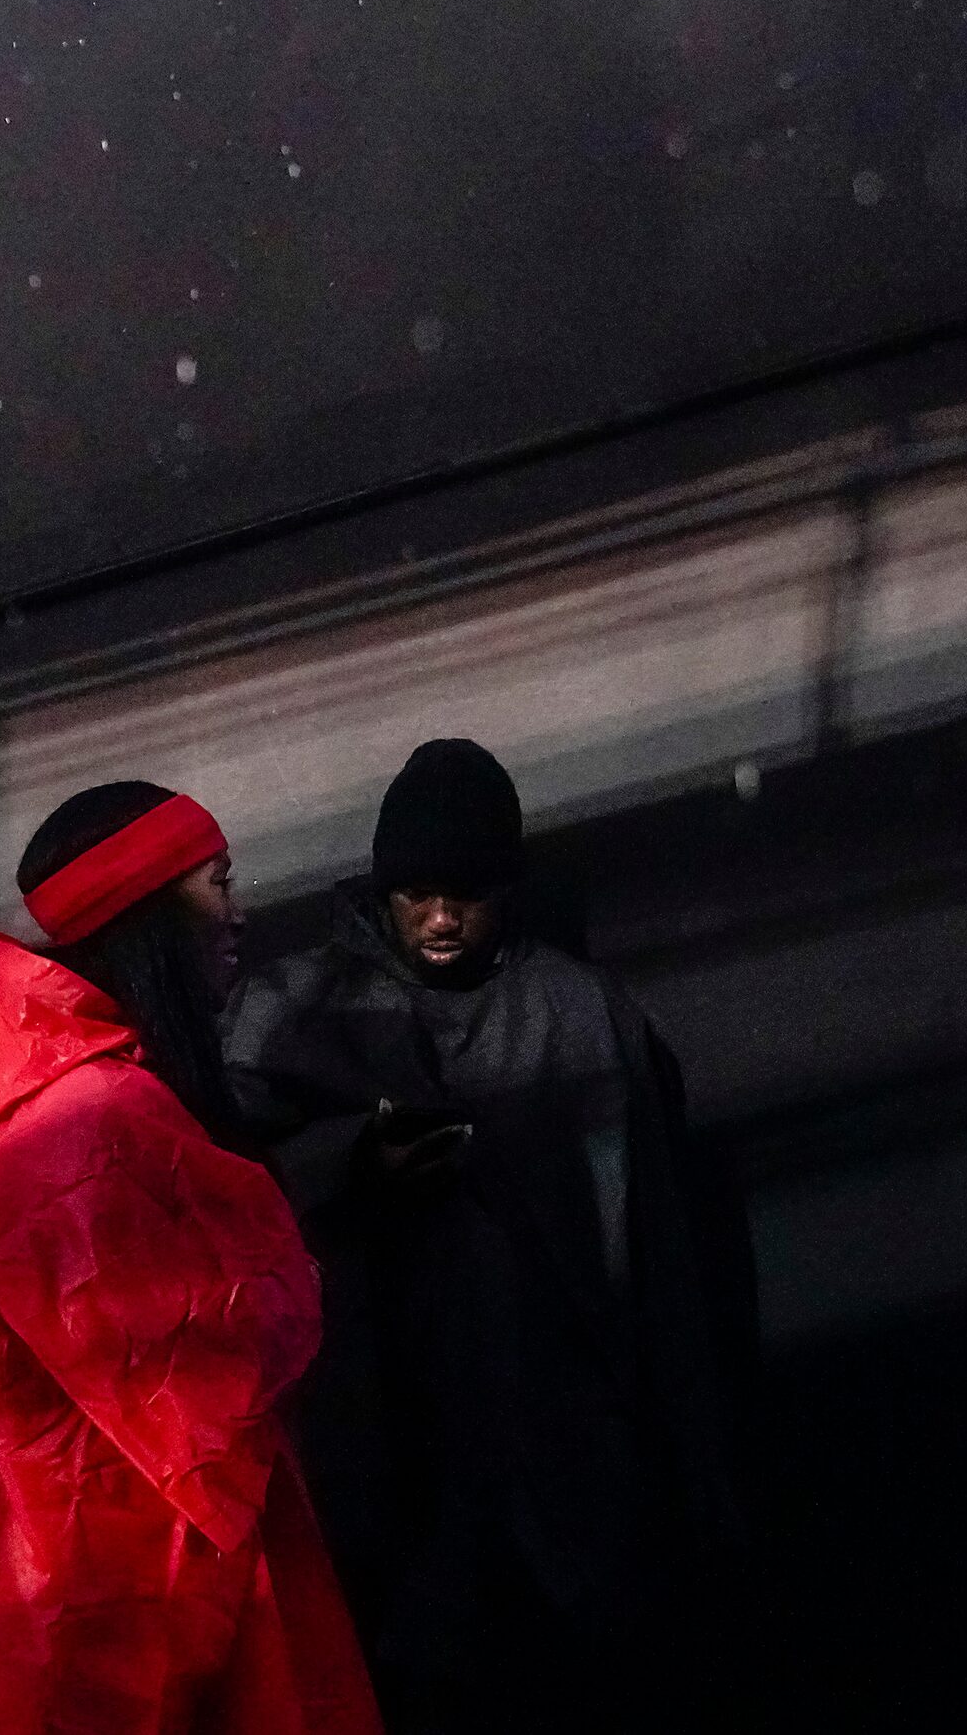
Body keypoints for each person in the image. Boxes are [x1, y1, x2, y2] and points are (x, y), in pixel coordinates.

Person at [225, 739, 757, 1733]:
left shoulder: (582, 1018)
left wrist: (693, 1471)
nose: (438, 917)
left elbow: (663, 1257)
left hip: (551, 1458)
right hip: (384, 1456)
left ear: (503, 889)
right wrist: (347, 1167)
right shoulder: (301, 1014)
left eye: (462, 893)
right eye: (417, 893)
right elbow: (195, 1187)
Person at [0, 782, 382, 1735]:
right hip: (117, 1644)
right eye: (216, 883)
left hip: (21, 1641)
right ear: (148, 910)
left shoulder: (14, 1131)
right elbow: (201, 1401)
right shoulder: (100, 1129)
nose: (238, 911)